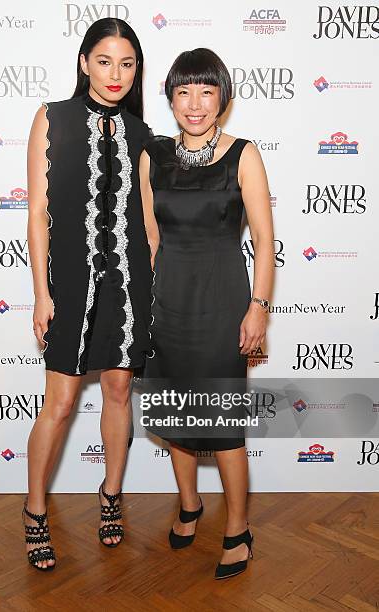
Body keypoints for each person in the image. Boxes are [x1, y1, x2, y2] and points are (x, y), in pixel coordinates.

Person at [140, 48, 274, 579]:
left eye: (206, 91)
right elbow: (151, 238)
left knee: (222, 426)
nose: (194, 104)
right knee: (176, 414)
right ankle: (190, 505)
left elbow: (264, 240)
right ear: (171, 97)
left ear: (223, 96)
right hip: (167, 300)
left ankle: (238, 528)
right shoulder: (153, 155)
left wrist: (258, 308)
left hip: (222, 301)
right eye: (183, 92)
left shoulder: (244, 154)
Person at [24, 17, 153, 570]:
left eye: (127, 63)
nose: (116, 73)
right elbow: (37, 215)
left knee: (120, 389)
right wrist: (40, 292)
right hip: (70, 285)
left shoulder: (144, 135)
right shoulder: (52, 118)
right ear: (84, 63)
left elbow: (149, 222)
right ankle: (34, 510)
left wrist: (158, 290)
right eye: (105, 61)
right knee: (60, 402)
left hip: (131, 282)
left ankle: (111, 496)